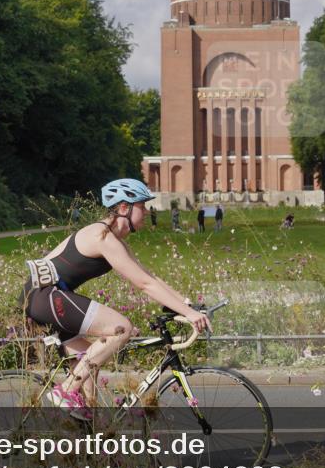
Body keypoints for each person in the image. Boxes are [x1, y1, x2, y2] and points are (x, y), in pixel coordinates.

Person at [20, 178, 212, 420]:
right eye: (142, 206)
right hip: (46, 297)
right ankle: (66, 391)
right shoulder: (103, 237)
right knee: (122, 329)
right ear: (124, 208)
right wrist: (191, 315)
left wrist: (185, 305)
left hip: (46, 298)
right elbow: (144, 285)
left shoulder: (113, 239)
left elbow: (148, 276)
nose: (147, 211)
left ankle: (89, 443)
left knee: (89, 362)